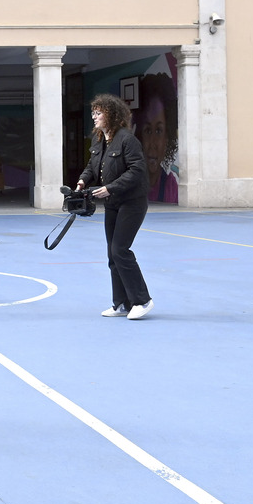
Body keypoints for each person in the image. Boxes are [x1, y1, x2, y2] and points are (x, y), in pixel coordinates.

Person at [76, 93, 153, 321]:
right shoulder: (98, 140)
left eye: (98, 113)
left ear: (111, 114)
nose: (94, 117)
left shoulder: (127, 140)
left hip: (132, 202)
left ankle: (142, 300)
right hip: (113, 203)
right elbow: (92, 166)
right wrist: (82, 181)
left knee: (121, 249)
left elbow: (137, 171)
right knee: (112, 254)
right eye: (93, 112)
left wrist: (110, 187)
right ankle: (121, 303)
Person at [133, 73, 179, 204]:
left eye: (159, 131)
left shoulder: (171, 188)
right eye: (147, 130)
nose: (152, 143)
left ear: (167, 138)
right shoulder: (130, 182)